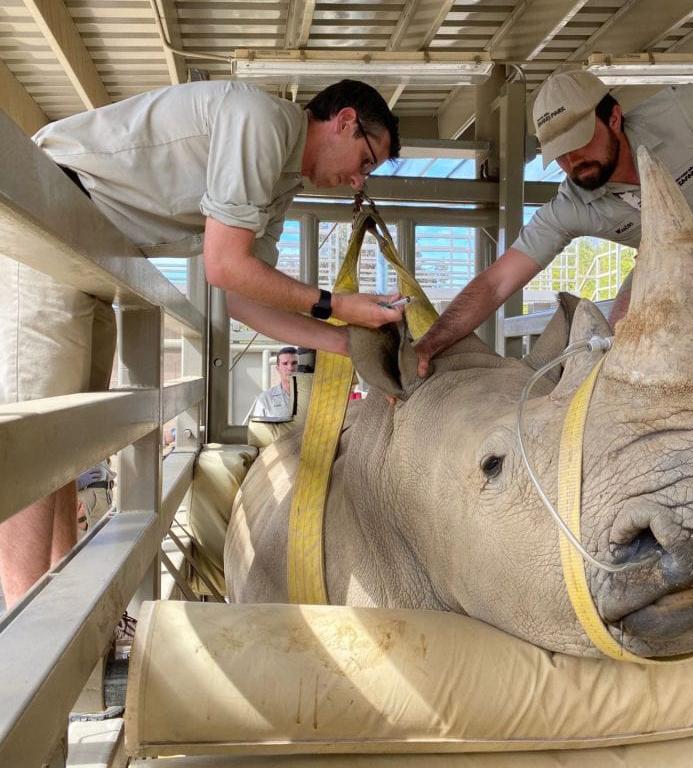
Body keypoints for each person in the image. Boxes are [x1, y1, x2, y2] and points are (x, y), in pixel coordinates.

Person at [0, 78, 404, 609]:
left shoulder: (280, 181)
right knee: (36, 438)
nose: (357, 181)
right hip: (55, 211)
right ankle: (27, 647)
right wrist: (335, 305)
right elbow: (225, 264)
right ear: (346, 121)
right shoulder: (262, 122)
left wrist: (347, 345)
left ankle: (63, 618)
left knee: (67, 439)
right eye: (367, 160)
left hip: (92, 250)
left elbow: (242, 297)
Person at [414, 70, 693, 376]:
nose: (572, 161)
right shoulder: (571, 205)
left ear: (613, 118)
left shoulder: (679, 113)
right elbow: (496, 283)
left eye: (579, 142)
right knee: (620, 331)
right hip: (680, 259)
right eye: (560, 154)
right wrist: (430, 343)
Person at [250, 346, 299, 420]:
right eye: (285, 364)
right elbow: (259, 429)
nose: (290, 368)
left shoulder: (312, 396)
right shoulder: (265, 399)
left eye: (294, 363)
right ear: (278, 369)